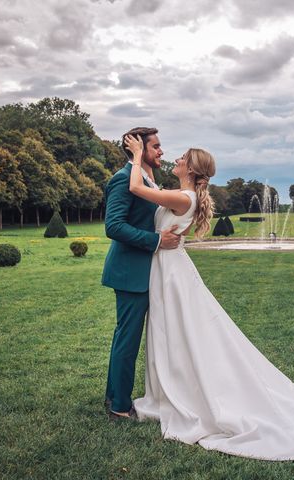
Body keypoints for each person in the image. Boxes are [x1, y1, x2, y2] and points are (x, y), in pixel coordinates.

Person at [123, 134, 294, 460]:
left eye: (182, 157)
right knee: (175, 334)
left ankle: (183, 394)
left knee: (181, 334)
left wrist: (137, 156)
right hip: (168, 268)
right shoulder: (183, 194)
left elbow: (136, 188)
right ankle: (170, 392)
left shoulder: (184, 197)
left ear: (192, 170)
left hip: (171, 271)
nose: (176, 159)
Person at [101, 127, 182, 419]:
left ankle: (114, 397)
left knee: (129, 337)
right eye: (156, 146)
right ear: (139, 149)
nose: (161, 151)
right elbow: (114, 226)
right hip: (129, 273)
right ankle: (120, 406)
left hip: (149, 272)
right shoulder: (123, 179)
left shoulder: (148, 180)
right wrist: (157, 241)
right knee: (128, 339)